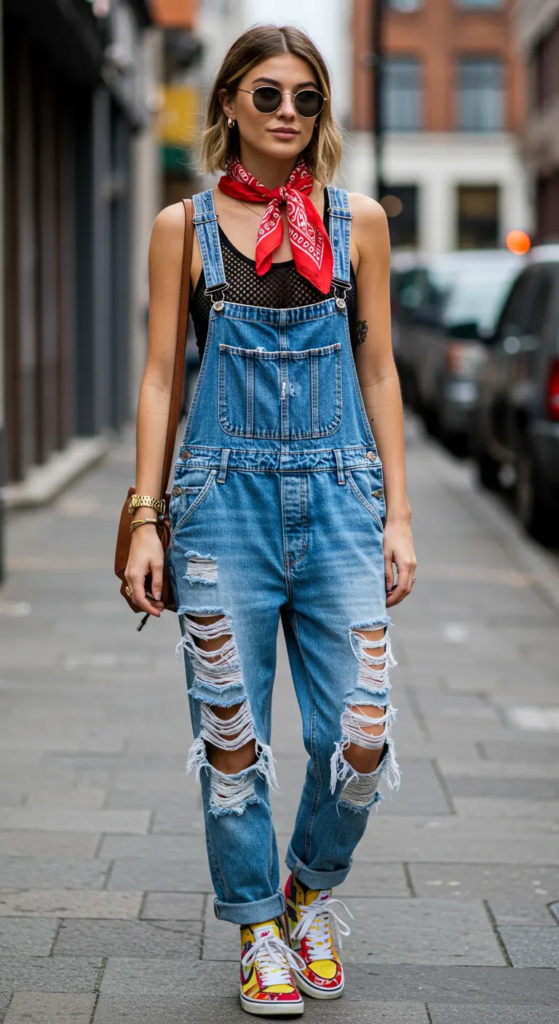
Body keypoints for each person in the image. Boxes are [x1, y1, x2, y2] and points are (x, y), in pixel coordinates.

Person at [125, 23, 417, 1017]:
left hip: (341, 500)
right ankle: (257, 928)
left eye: (304, 96)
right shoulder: (185, 227)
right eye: (267, 95)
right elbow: (163, 377)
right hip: (219, 509)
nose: (287, 112)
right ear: (230, 106)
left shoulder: (359, 221)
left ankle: (306, 893)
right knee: (231, 736)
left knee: (361, 733)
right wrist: (146, 517)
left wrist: (399, 516)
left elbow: (378, 370)